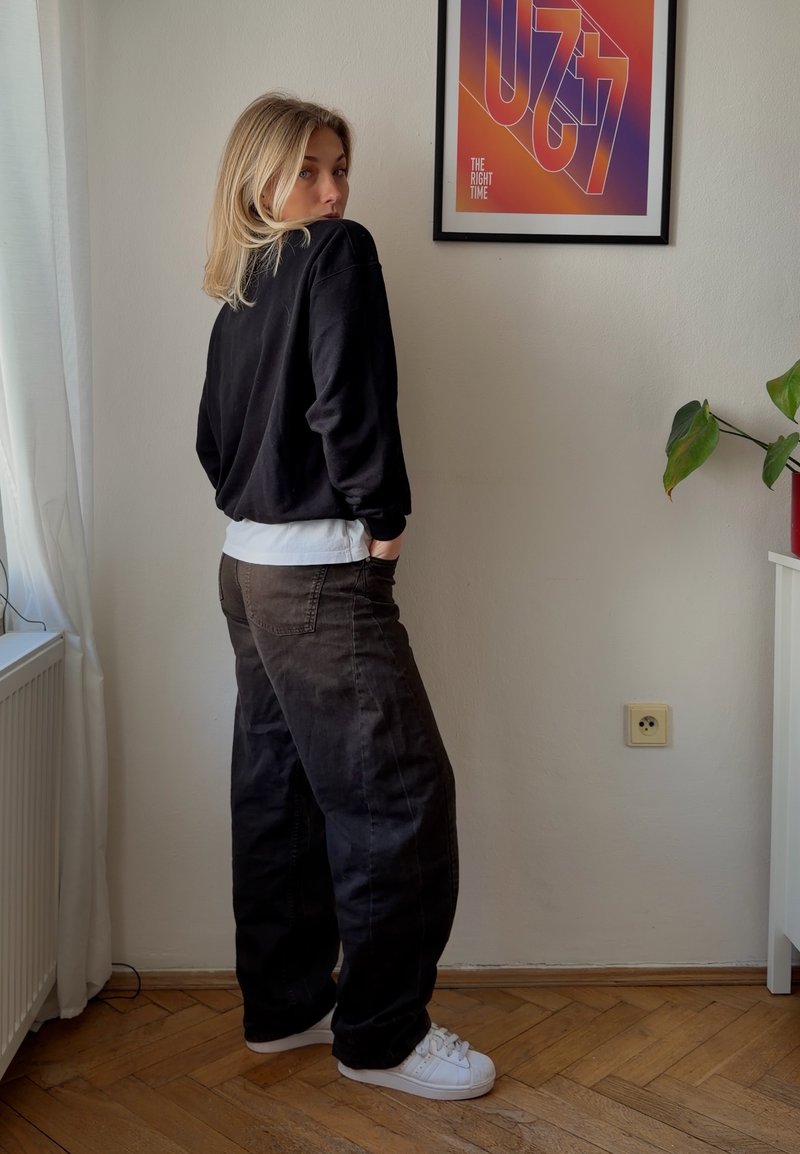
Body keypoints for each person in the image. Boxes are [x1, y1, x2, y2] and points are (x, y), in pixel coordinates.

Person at [196, 92, 495, 1101]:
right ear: (258, 178)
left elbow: (211, 437)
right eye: (310, 170)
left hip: (246, 565)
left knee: (277, 792)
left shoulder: (243, 278)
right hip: (319, 572)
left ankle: (284, 1005)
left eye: (339, 171)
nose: (332, 192)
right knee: (400, 801)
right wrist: (380, 512)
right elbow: (346, 395)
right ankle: (379, 1036)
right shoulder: (335, 252)